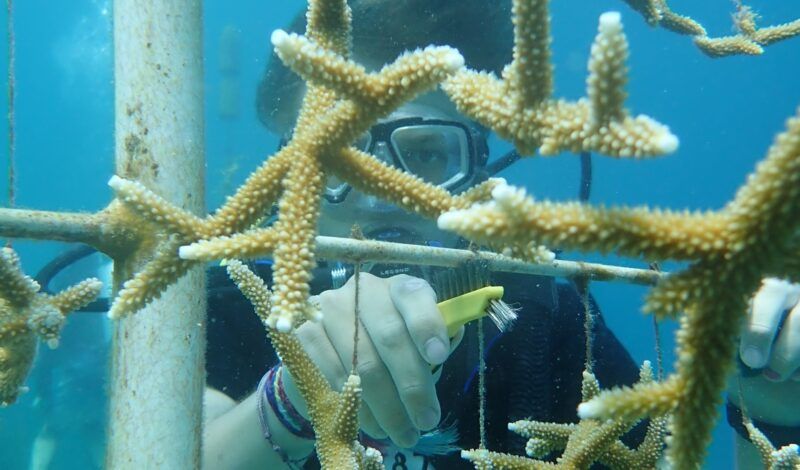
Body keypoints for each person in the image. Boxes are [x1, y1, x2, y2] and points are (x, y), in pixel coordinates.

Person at [202, 1, 800, 469]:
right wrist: (292, 399)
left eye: (429, 154)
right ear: (283, 178)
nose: (382, 192)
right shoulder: (232, 293)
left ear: (483, 171)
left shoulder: (542, 311)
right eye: (338, 159)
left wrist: (776, 411)